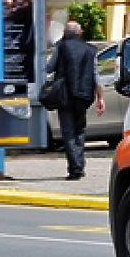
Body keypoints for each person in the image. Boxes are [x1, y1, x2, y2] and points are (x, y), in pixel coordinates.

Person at [48, 20, 104, 180]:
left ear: (65, 33)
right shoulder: (90, 50)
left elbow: (50, 67)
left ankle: (75, 168)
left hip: (65, 95)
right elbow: (95, 76)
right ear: (80, 32)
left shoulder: (61, 47)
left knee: (68, 132)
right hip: (84, 96)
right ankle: (79, 164)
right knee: (79, 130)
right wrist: (100, 97)